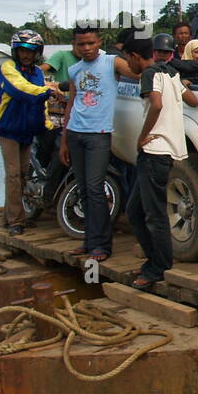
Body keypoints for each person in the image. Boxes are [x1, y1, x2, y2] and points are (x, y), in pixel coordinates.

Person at [122, 36, 198, 288]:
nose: (126, 65)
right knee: (134, 211)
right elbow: (193, 101)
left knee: (154, 215)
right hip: (167, 152)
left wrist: (142, 137)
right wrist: (182, 86)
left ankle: (159, 267)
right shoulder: (172, 74)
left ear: (135, 56)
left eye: (127, 59)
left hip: (154, 151)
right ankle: (152, 262)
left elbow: (155, 105)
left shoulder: (149, 74)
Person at [0, 30, 63, 234]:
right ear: (15, 51)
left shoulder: (38, 73)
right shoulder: (8, 68)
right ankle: (15, 221)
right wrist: (47, 91)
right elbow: (20, 89)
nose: (26, 55)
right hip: (8, 129)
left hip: (27, 130)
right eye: (22, 51)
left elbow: (41, 105)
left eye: (30, 52)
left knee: (22, 175)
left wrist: (47, 124)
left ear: (37, 53)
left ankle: (12, 215)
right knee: (13, 174)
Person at [60, 24, 119, 260]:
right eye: (81, 44)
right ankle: (88, 241)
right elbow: (71, 103)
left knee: (96, 189)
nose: (86, 48)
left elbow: (138, 72)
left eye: (90, 43)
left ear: (99, 42)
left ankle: (102, 246)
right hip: (75, 133)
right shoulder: (75, 70)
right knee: (84, 190)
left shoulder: (112, 63)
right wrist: (64, 140)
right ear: (75, 46)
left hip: (99, 134)